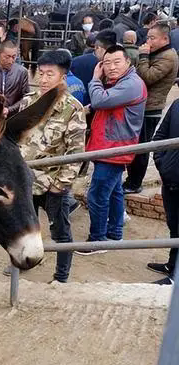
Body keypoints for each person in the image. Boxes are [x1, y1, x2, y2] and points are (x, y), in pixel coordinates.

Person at [4, 50, 86, 282]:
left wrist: (60, 185)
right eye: (41, 73)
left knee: (60, 232)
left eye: (50, 74)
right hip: (25, 180)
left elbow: (76, 152)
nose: (44, 79)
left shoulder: (73, 108)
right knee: (21, 227)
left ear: (63, 76)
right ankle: (19, 265)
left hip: (52, 184)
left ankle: (61, 277)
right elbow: (15, 137)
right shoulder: (29, 101)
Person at [80, 45, 146, 254]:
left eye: (117, 62)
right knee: (115, 191)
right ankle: (115, 232)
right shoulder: (122, 82)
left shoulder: (132, 84)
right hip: (109, 145)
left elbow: (100, 100)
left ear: (128, 62)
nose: (111, 67)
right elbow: (103, 104)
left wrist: (94, 78)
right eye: (106, 63)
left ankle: (97, 240)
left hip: (114, 149)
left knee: (97, 195)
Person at [123, 24, 179, 194]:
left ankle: (135, 183)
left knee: (141, 147)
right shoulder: (160, 53)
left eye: (152, 38)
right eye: (147, 37)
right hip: (143, 106)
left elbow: (146, 77)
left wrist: (144, 56)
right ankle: (131, 179)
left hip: (150, 108)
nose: (148, 41)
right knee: (135, 143)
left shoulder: (168, 57)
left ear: (165, 39)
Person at [146, 98, 179, 285]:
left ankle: (175, 278)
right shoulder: (176, 105)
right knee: (174, 227)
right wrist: (163, 164)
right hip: (170, 180)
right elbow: (159, 138)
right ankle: (173, 264)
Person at [70, 30, 117, 107]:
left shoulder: (77, 61)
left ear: (97, 47)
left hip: (81, 106)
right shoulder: (120, 66)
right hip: (106, 107)